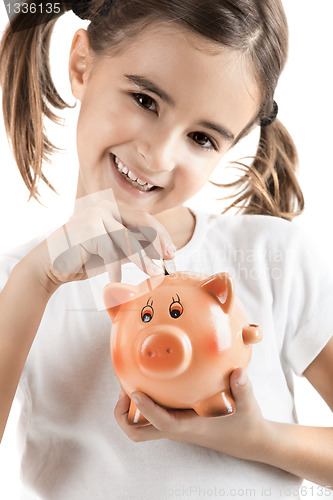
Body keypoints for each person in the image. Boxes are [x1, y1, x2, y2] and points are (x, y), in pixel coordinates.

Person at [0, 1, 332, 499]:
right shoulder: (17, 280)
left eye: (201, 138)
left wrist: (257, 439)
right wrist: (35, 280)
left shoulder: (272, 258)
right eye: (145, 100)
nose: (157, 155)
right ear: (81, 66)